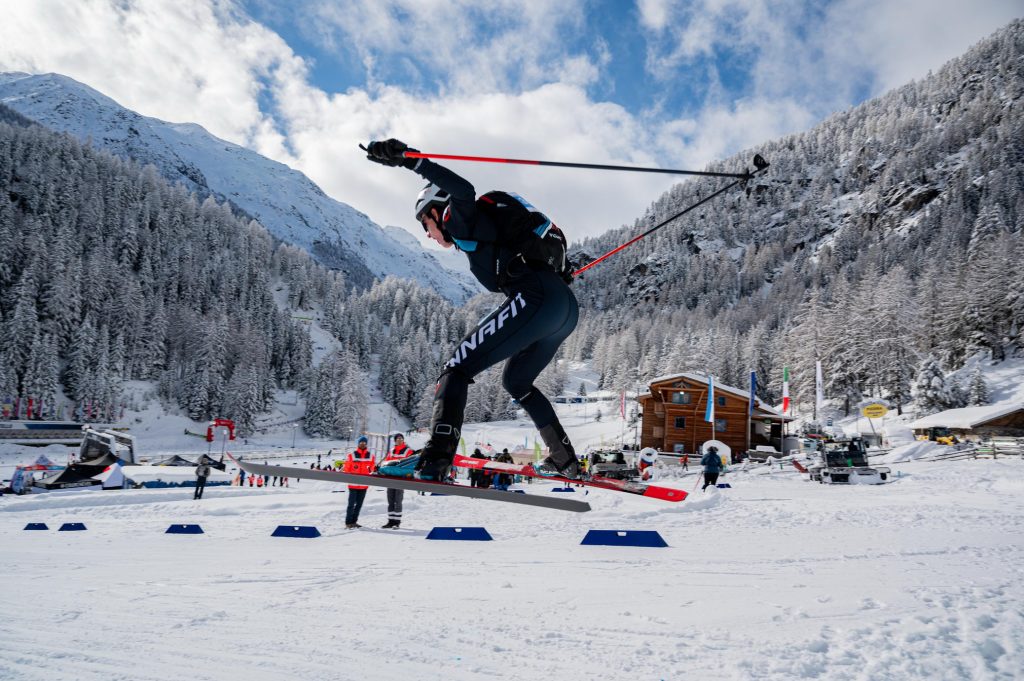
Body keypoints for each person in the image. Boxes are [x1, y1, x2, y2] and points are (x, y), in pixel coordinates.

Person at [366, 138, 580, 481]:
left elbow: (463, 189)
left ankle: (435, 458)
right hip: (564, 310)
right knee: (517, 381)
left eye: (425, 223)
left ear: (437, 209)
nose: (428, 234)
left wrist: (411, 161)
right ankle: (565, 460)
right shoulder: (483, 234)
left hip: (537, 298)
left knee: (456, 368)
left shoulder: (461, 219)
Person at [380, 433, 415, 528]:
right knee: (390, 500)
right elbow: (386, 463)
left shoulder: (408, 451)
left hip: (401, 478)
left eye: (401, 438)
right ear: (395, 441)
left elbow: (412, 464)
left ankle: (397, 522)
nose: (399, 440)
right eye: (397, 439)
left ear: (403, 440)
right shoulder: (391, 451)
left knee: (398, 500)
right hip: (390, 477)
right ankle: (390, 521)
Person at [343, 436, 375, 528]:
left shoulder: (370, 456)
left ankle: (354, 522)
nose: (362, 444)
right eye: (361, 443)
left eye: (364, 443)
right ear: (358, 444)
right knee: (351, 505)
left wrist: (369, 471)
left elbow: (371, 469)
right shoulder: (351, 455)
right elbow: (347, 469)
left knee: (359, 505)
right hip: (353, 485)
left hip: (363, 485)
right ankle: (348, 523)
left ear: (366, 444)